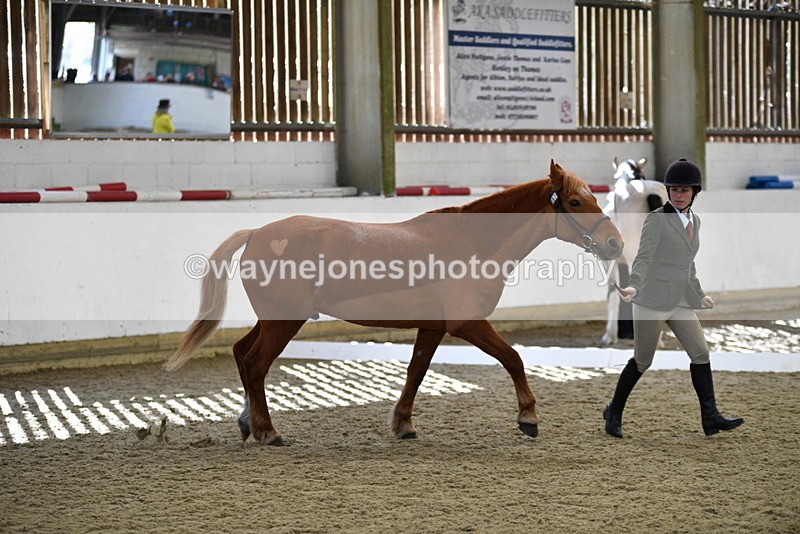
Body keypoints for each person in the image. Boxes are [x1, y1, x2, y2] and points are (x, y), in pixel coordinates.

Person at [603, 158, 744, 438]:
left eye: (685, 190)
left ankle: (710, 416)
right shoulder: (656, 220)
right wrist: (634, 285)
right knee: (642, 361)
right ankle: (614, 411)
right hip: (651, 300)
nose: (679, 195)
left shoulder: (696, 221)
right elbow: (643, 258)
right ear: (668, 192)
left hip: (679, 300)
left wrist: (699, 294)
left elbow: (687, 264)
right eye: (674, 190)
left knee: (701, 353)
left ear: (694, 193)